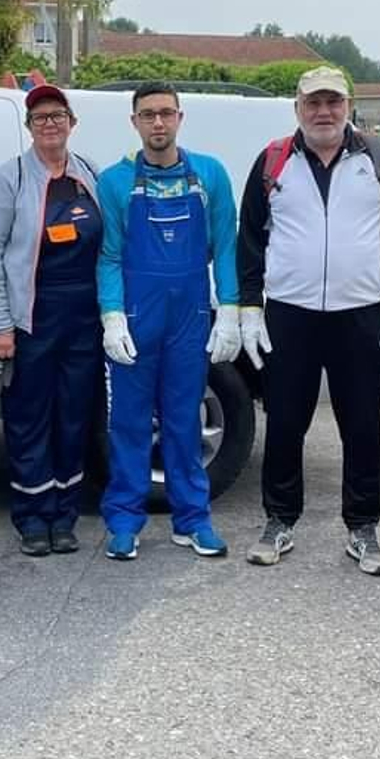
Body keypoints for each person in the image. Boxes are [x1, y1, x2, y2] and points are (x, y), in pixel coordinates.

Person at [237, 65, 380, 575]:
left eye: (333, 102)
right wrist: (249, 306)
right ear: (297, 108)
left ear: (349, 106)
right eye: (313, 103)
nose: (323, 112)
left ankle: (363, 528)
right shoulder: (273, 161)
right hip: (290, 314)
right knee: (285, 423)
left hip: (360, 314)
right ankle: (279, 520)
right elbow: (250, 236)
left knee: (362, 425)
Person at [95, 81, 241, 561]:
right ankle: (123, 519)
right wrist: (112, 315)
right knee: (129, 422)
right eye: (148, 114)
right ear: (134, 122)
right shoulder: (115, 182)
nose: (158, 122)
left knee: (184, 420)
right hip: (138, 315)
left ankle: (193, 520)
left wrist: (231, 311)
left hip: (190, 315)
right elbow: (110, 255)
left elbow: (225, 246)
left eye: (166, 113)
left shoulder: (210, 175)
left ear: (180, 117)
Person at [0, 84, 102, 557]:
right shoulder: (9, 178)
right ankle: (31, 517)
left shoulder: (88, 173)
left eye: (57, 115)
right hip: (30, 319)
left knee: (73, 416)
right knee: (29, 419)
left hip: (83, 317)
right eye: (40, 117)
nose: (50, 124)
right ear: (29, 128)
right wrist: (0, 325)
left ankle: (63, 515)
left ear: (72, 122)